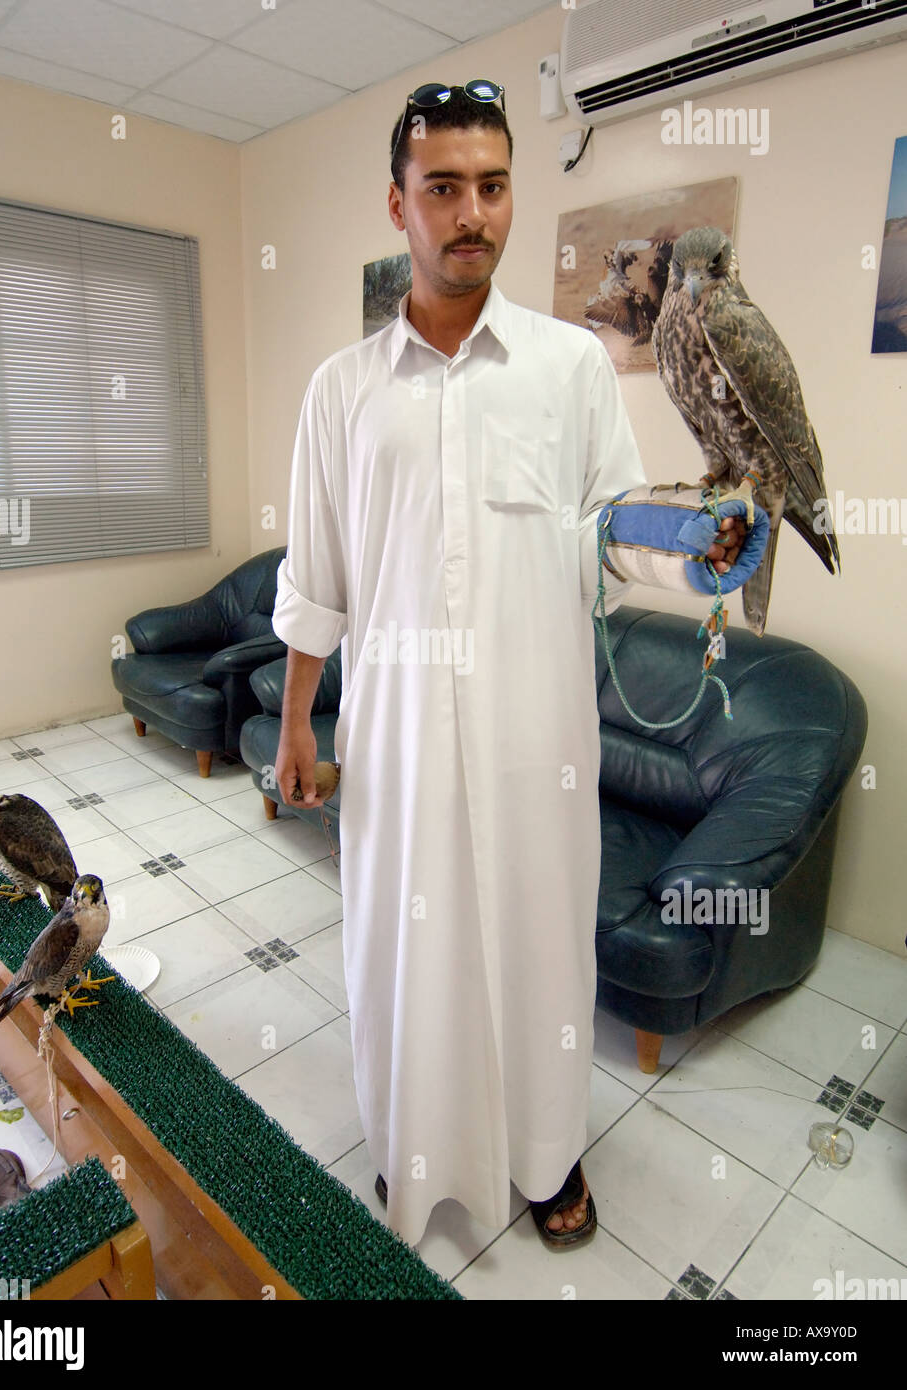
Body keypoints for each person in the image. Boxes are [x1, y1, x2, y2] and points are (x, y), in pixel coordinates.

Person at [271, 82, 746, 1252]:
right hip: (396, 741)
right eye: (442, 188)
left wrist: (702, 549)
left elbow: (613, 534)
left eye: (490, 186)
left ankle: (547, 1155)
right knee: (405, 956)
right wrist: (295, 724)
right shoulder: (342, 391)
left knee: (539, 954)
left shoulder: (567, 368)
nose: (469, 212)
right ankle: (414, 1155)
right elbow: (315, 577)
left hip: (540, 737)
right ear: (398, 204)